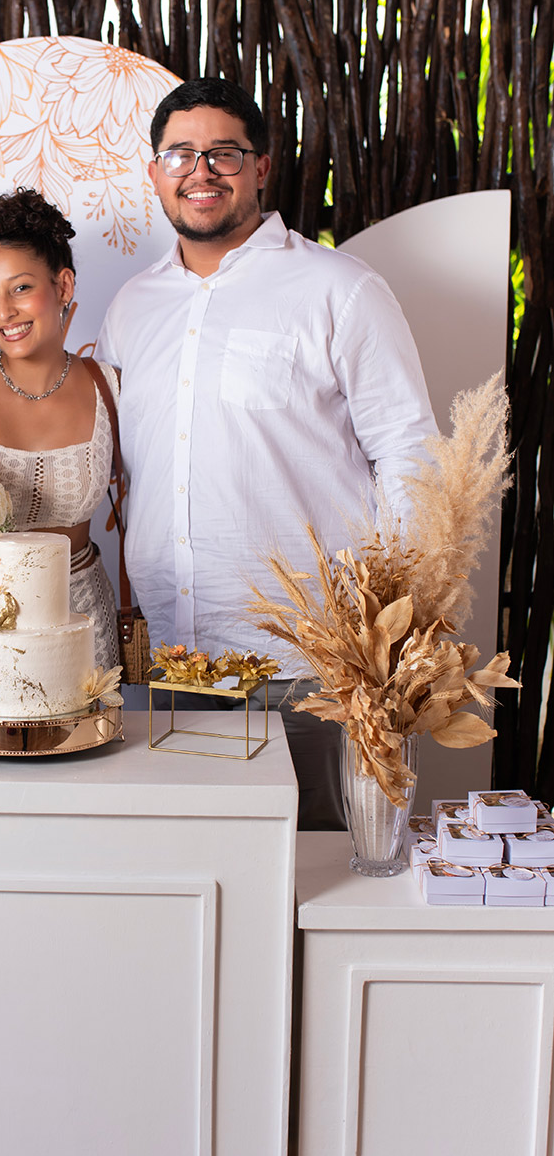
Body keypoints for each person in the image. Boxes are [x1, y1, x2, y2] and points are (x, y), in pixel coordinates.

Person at [95, 79, 438, 829]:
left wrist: (395, 622)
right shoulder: (131, 307)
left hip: (307, 658)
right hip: (174, 659)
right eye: (180, 154)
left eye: (223, 153)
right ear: (155, 173)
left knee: (313, 860)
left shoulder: (338, 289)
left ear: (260, 168)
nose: (201, 171)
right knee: (193, 865)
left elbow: (408, 448)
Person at [0, 187, 120, 671]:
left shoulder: (110, 388)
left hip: (80, 619)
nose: (3, 312)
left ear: (63, 286)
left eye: (21, 288)